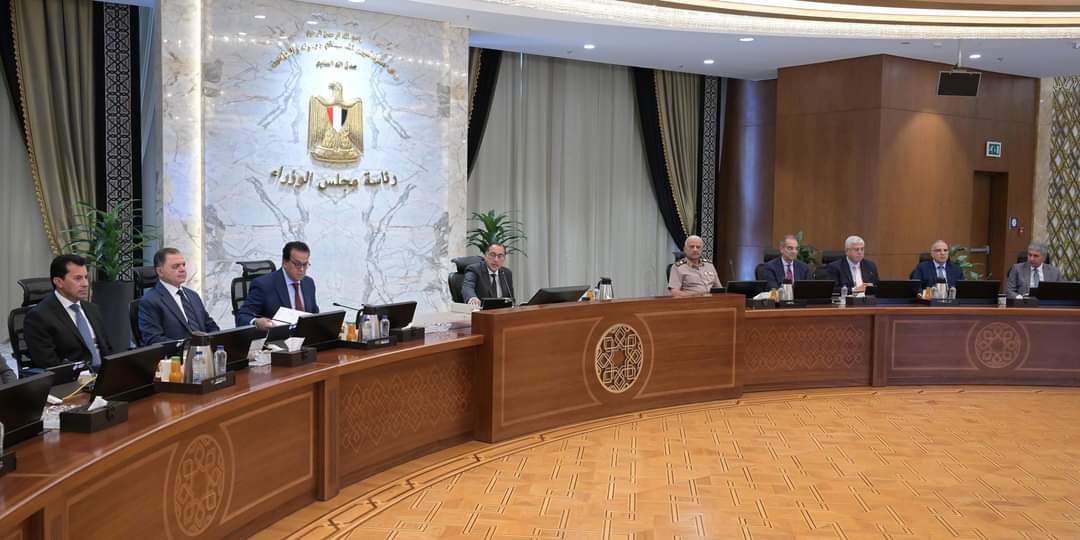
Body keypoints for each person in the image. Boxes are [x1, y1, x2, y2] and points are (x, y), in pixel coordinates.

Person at [23, 254, 115, 370]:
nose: (85, 284)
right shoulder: (38, 317)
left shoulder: (92, 309)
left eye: (86, 277)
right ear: (58, 282)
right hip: (74, 378)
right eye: (78, 278)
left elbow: (107, 349)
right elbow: (50, 365)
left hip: (105, 374)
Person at [138, 248, 220, 345]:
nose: (182, 269)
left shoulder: (193, 295)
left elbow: (210, 325)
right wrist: (187, 347)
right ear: (160, 271)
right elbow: (154, 339)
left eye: (183, 265)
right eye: (175, 266)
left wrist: (215, 342)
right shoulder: (150, 301)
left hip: (204, 350)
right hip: (175, 353)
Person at [236, 241, 320, 329]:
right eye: (297, 264)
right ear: (284, 262)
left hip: (305, 335)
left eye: (305, 264)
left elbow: (314, 315)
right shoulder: (263, 285)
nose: (302, 269)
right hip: (276, 336)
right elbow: (242, 317)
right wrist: (256, 322)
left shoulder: (308, 283)